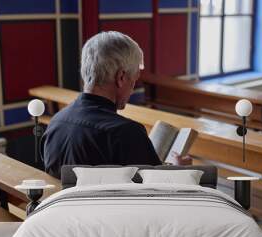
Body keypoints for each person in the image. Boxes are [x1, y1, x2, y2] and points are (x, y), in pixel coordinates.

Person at [41, 31, 191, 178]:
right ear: (121, 77)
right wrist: (177, 174)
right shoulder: (126, 132)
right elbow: (154, 193)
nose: (132, 89)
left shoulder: (56, 122)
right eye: (133, 81)